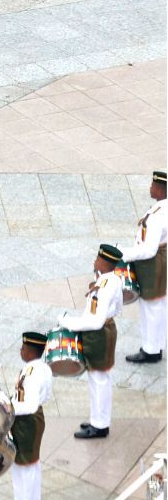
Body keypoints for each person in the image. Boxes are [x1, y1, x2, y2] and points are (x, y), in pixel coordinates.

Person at [60, 243, 126, 440]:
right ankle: (97, 419)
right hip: (101, 332)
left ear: (105, 263)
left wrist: (68, 322)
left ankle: (100, 426)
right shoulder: (108, 280)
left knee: (99, 381)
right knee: (97, 380)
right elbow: (119, 306)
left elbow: (96, 321)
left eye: (97, 259)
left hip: (99, 335)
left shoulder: (106, 286)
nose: (94, 261)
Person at [0, 331, 51, 500]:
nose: (21, 351)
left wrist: (7, 408)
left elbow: (28, 405)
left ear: (31, 351)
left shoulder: (32, 373)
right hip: (32, 419)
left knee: (23, 466)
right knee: (32, 463)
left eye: (23, 348)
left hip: (26, 421)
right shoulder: (41, 368)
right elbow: (41, 398)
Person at [123, 170, 166, 364]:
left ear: (161, 190)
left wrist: (124, 254)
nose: (150, 188)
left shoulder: (159, 215)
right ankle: (157, 345)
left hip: (152, 263)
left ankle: (151, 350)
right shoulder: (161, 208)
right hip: (159, 260)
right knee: (157, 305)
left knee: (151, 306)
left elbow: (148, 250)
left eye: (153, 185)